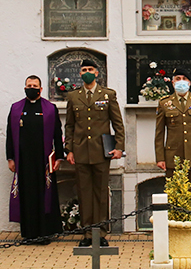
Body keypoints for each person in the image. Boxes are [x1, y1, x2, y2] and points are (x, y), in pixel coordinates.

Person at [64, 58, 125, 247]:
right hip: (81, 152)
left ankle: (101, 233)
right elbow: (70, 126)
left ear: (97, 73)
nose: (87, 72)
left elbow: (117, 123)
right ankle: (87, 233)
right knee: (84, 193)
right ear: (80, 74)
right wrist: (69, 150)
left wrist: (119, 146)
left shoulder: (108, 95)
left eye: (91, 69)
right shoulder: (74, 97)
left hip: (101, 152)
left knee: (100, 193)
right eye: (84, 70)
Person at [7, 75, 65, 243]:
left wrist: (59, 158)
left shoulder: (50, 109)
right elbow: (10, 135)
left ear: (41, 89)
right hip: (23, 162)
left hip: (44, 162)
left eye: (34, 85)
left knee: (44, 196)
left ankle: (45, 233)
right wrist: (10, 158)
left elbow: (57, 134)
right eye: (28, 85)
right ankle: (29, 234)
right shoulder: (16, 108)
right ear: (25, 87)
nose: (31, 88)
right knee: (27, 197)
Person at [155, 68, 191, 209]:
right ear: (173, 83)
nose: (181, 82)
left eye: (184, 79)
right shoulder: (164, 103)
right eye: (178, 78)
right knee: (173, 195)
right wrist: (160, 157)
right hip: (172, 156)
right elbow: (159, 132)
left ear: (189, 83)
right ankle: (175, 228)